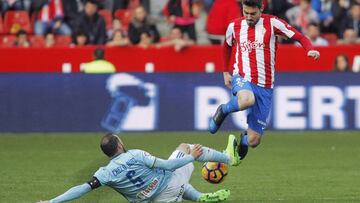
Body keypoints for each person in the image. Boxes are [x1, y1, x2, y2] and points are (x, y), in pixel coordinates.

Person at [209, 0, 320, 160]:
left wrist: (310, 49)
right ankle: (224, 109)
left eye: (252, 14)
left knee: (254, 141)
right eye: (245, 13)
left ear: (261, 9)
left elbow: (300, 37)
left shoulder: (273, 23)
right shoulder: (234, 26)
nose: (248, 17)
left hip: (265, 86)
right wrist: (226, 72)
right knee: (246, 99)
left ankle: (243, 141)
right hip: (242, 76)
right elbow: (227, 46)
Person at [37, 133, 240, 203]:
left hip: (152, 200)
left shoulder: (104, 173)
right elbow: (168, 165)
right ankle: (228, 157)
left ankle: (198, 196)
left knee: (174, 183)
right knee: (184, 147)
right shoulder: (134, 154)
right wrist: (191, 157)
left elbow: (82, 188)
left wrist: (53, 201)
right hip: (170, 186)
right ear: (118, 145)